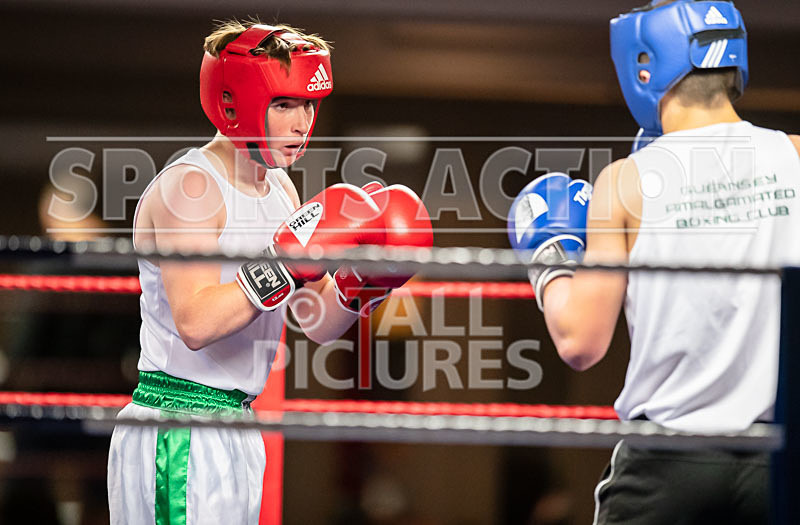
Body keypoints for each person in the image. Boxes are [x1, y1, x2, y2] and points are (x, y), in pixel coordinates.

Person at [107, 19, 432, 524]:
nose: (303, 122)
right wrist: (282, 264)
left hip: (238, 424)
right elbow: (195, 323)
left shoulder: (281, 190)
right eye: (284, 105)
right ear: (235, 103)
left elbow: (318, 322)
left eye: (308, 104)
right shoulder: (190, 190)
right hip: (178, 424)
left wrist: (365, 281)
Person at [508, 1, 800, 523]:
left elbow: (580, 343)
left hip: (668, 463)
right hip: (775, 459)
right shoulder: (796, 156)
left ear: (643, 67)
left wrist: (547, 255)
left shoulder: (625, 181)